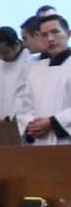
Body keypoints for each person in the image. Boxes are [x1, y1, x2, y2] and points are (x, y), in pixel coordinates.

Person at [17, 13, 71, 146]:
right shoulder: (34, 69)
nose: (50, 39)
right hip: (40, 142)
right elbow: (25, 106)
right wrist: (31, 125)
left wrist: (52, 122)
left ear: (68, 34)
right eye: (44, 35)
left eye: (55, 32)